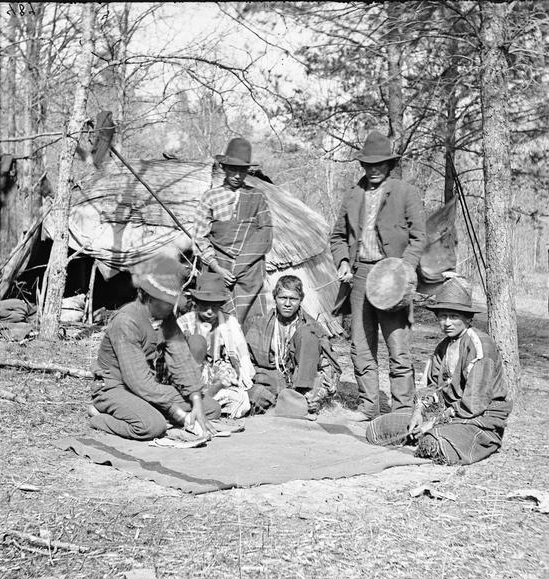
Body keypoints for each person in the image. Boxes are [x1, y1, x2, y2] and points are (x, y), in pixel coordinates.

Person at [330, 130, 426, 422]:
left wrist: (403, 268)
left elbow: (419, 237)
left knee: (397, 347)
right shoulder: (353, 194)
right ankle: (369, 405)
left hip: (393, 277)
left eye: (379, 164)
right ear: (362, 165)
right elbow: (337, 236)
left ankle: (402, 409)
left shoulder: (405, 192)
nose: (374, 170)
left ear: (389, 165)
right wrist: (344, 261)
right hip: (359, 276)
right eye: (368, 165)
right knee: (360, 345)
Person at [366, 277, 512, 465]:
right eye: (442, 316)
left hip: (477, 419)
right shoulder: (444, 346)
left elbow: (474, 404)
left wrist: (433, 422)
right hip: (443, 413)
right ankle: (425, 432)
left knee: (433, 442)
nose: (447, 323)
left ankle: (447, 438)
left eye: (454, 317)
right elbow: (432, 386)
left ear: (468, 318)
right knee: (379, 428)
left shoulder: (480, 346)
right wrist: (419, 412)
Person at [88, 257, 220, 441]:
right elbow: (138, 382)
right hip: (116, 388)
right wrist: (178, 414)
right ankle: (99, 416)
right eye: (166, 301)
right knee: (151, 426)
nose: (171, 307)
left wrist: (196, 400)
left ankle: (151, 410)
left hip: (146, 390)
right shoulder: (126, 322)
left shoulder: (167, 319)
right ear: (147, 297)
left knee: (211, 408)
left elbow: (181, 359)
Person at [193, 137, 273, 327]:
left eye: (242, 170)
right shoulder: (210, 197)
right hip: (218, 267)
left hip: (250, 270)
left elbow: (265, 235)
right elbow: (200, 237)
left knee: (252, 321)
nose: (237, 175)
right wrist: (217, 267)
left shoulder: (257, 196)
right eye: (232, 169)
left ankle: (247, 353)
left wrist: (241, 265)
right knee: (215, 315)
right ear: (223, 167)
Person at [246, 275, 341, 415]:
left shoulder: (311, 327)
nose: (287, 304)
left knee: (307, 335)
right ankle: (284, 400)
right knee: (253, 396)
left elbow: (327, 364)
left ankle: (297, 398)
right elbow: (248, 362)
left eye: (293, 299)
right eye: (283, 298)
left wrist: (321, 390)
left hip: (304, 381)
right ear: (275, 298)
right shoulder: (260, 325)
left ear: (300, 300)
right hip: (271, 379)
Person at [177, 272, 255, 419]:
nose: (209, 311)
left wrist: (234, 377)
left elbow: (241, 356)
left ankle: (208, 404)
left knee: (242, 402)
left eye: (214, 307)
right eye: (205, 306)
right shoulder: (183, 323)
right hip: (191, 379)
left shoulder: (229, 323)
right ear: (196, 303)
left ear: (220, 305)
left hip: (221, 379)